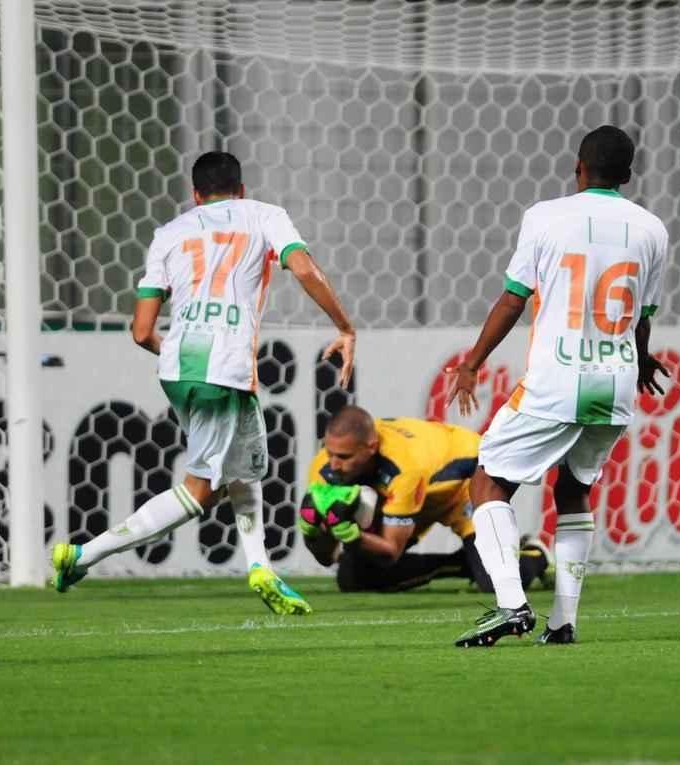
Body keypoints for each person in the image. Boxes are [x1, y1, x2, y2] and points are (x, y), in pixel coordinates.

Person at [51, 151, 357, 615]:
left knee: (242, 469)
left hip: (178, 366)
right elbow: (302, 268)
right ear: (242, 189)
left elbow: (141, 331)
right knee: (200, 491)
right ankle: (83, 555)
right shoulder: (264, 215)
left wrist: (180, 354)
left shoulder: (170, 232)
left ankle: (261, 568)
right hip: (224, 368)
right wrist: (345, 327)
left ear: (196, 195)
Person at [447, 125, 670, 646]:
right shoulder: (652, 229)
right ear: (628, 175)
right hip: (615, 382)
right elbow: (642, 315)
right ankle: (563, 622)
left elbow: (514, 298)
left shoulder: (545, 216)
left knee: (489, 481)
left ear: (578, 167)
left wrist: (473, 361)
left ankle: (510, 604)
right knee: (574, 489)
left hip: (558, 379)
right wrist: (641, 360)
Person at [299, 406, 551, 593]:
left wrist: (352, 535)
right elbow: (326, 558)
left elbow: (390, 551)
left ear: (371, 447)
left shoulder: (402, 467)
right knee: (352, 578)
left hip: (465, 481)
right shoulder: (323, 467)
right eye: (330, 452)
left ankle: (535, 554)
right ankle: (463, 563)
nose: (334, 464)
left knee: (495, 582)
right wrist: (313, 535)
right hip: (418, 493)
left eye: (344, 457)